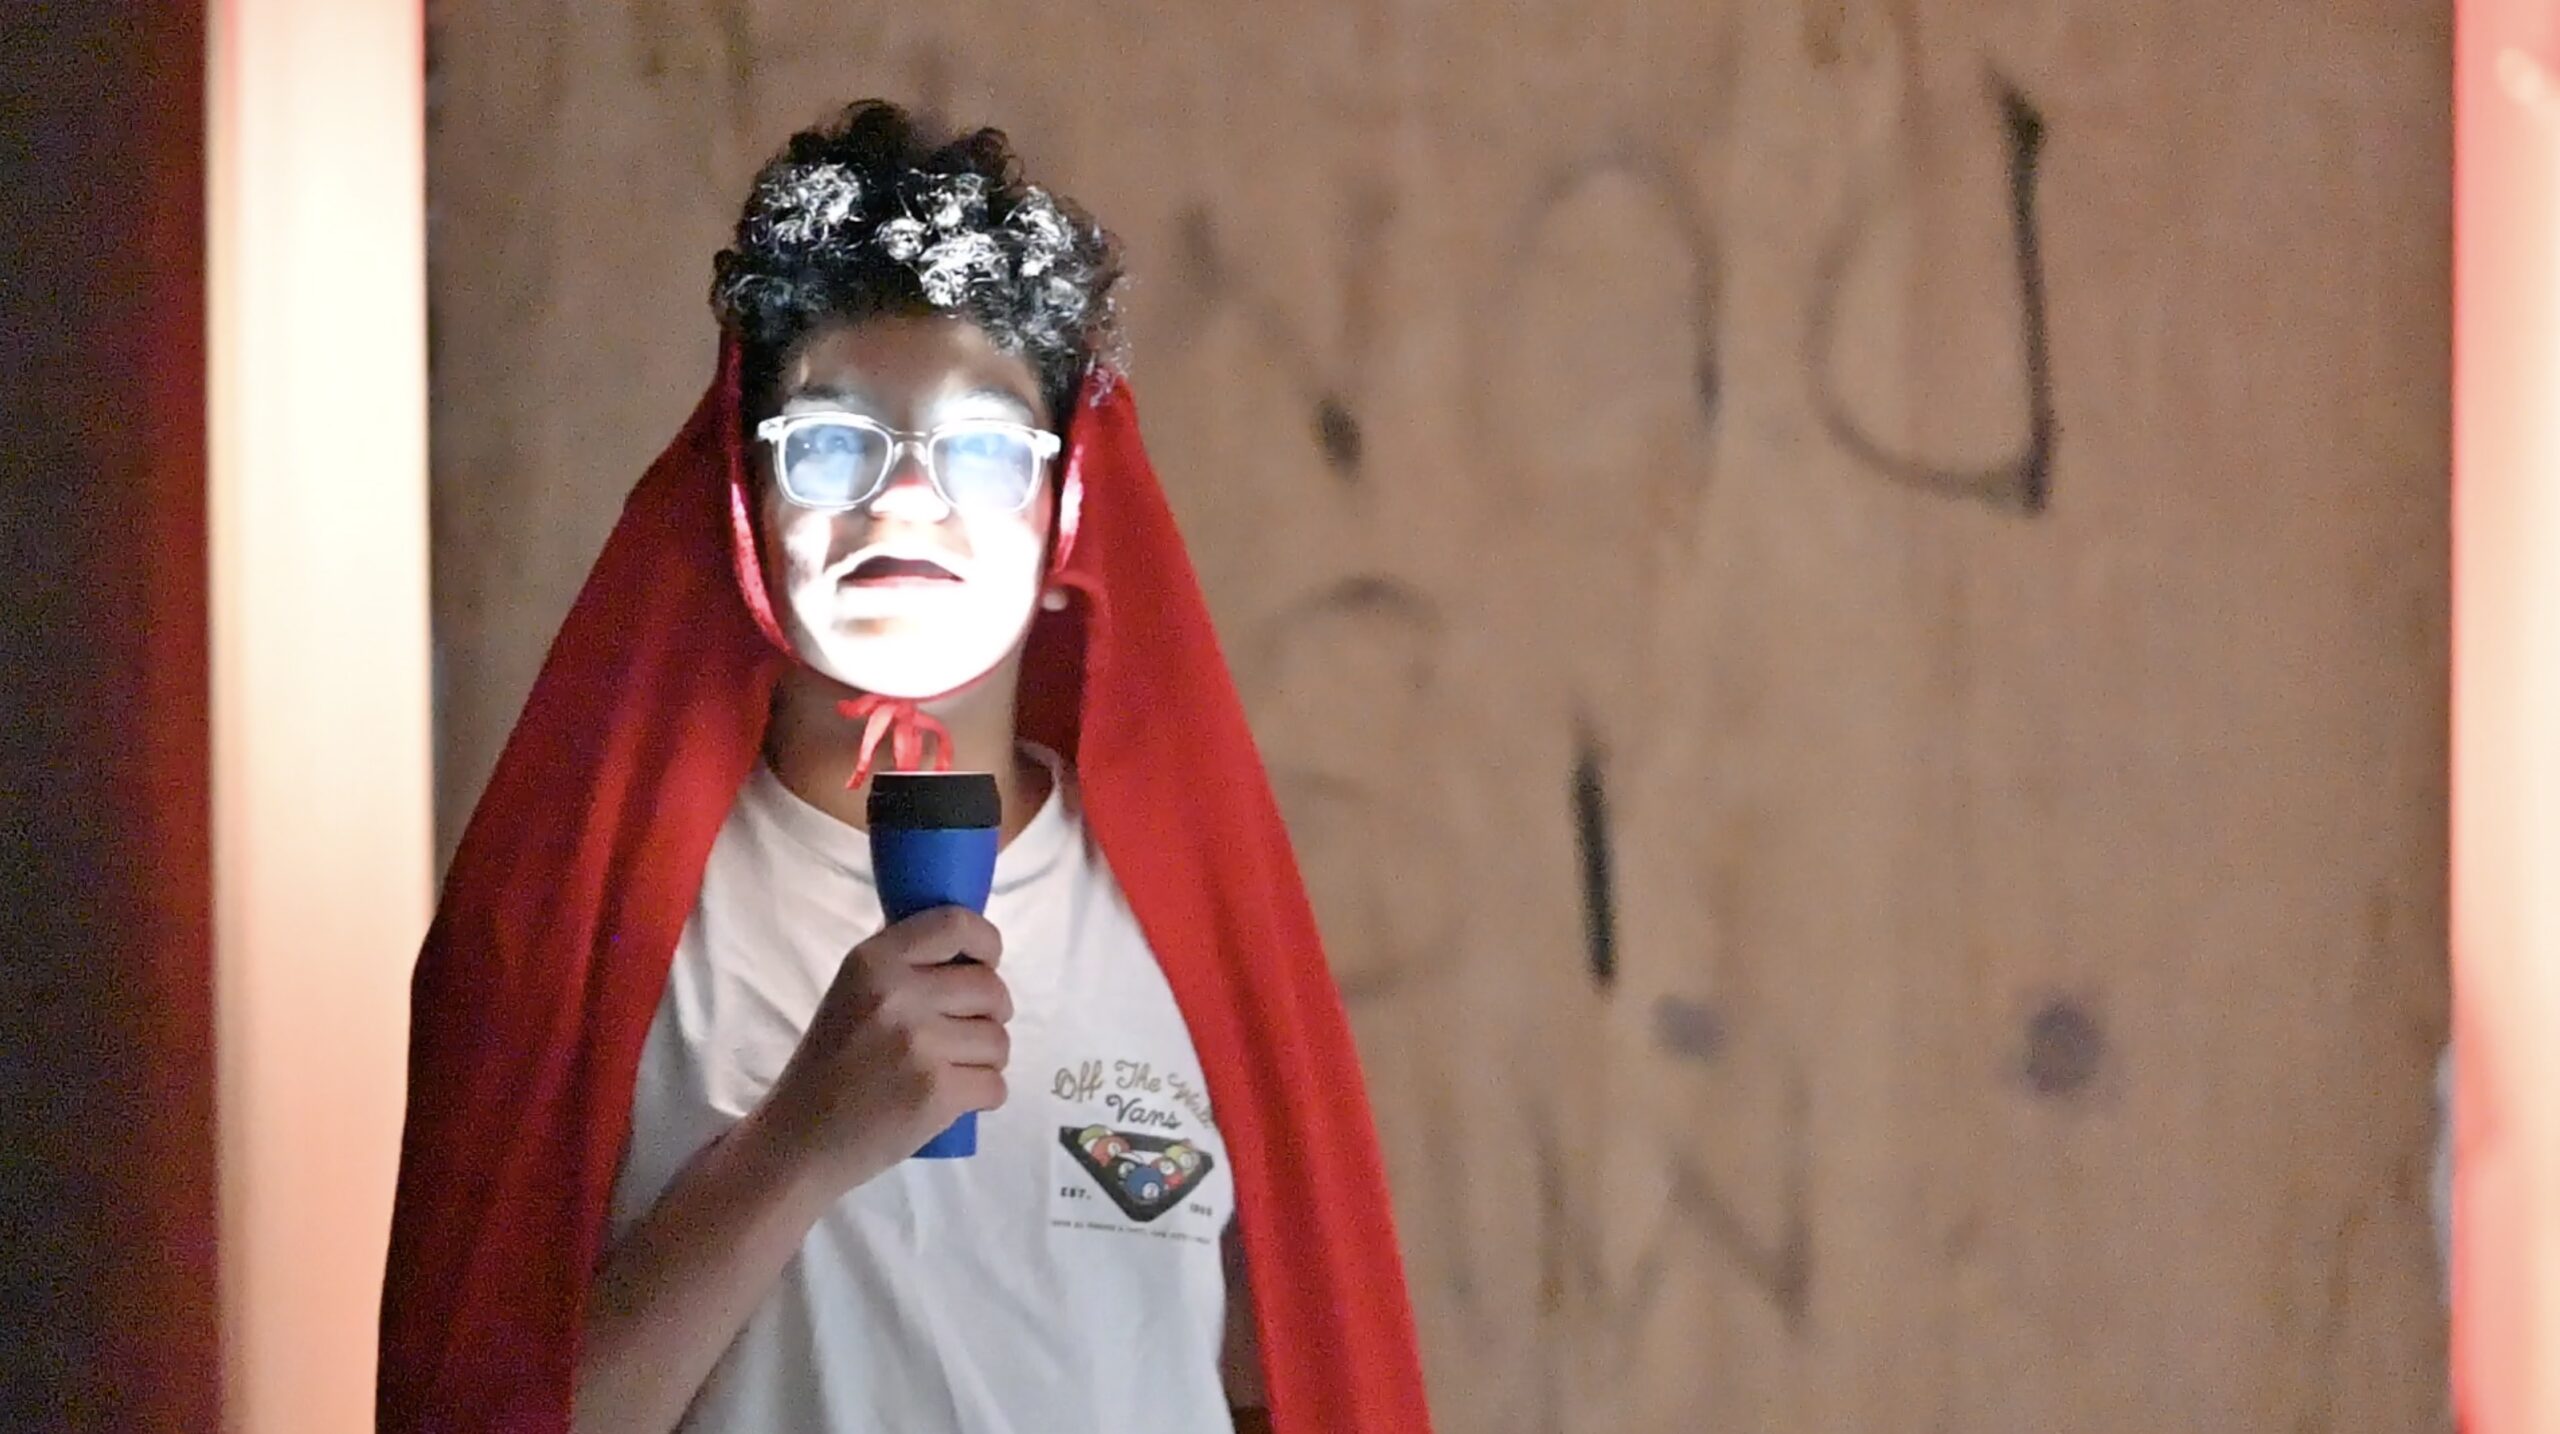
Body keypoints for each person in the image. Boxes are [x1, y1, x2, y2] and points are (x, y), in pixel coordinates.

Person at [377, 101, 1432, 1434]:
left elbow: (1299, 1375)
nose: (907, 498)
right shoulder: (583, 933)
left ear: (1067, 503)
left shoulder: (1187, 931)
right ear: (741, 495)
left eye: (983, 448)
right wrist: (793, 1150)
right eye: (832, 441)